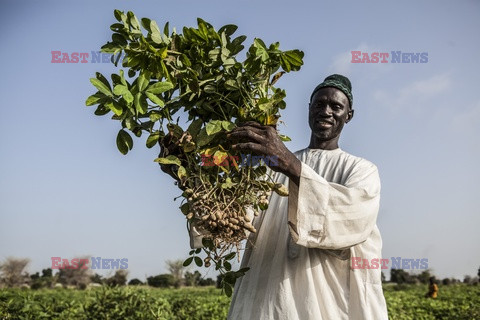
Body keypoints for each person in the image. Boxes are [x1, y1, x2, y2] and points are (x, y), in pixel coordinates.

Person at [224, 74, 389, 319]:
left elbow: (352, 219)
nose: (326, 111)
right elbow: (237, 217)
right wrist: (187, 173)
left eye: (336, 106)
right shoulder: (270, 164)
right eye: (319, 104)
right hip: (267, 301)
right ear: (309, 109)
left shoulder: (360, 170)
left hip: (327, 306)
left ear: (349, 115)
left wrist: (290, 163)